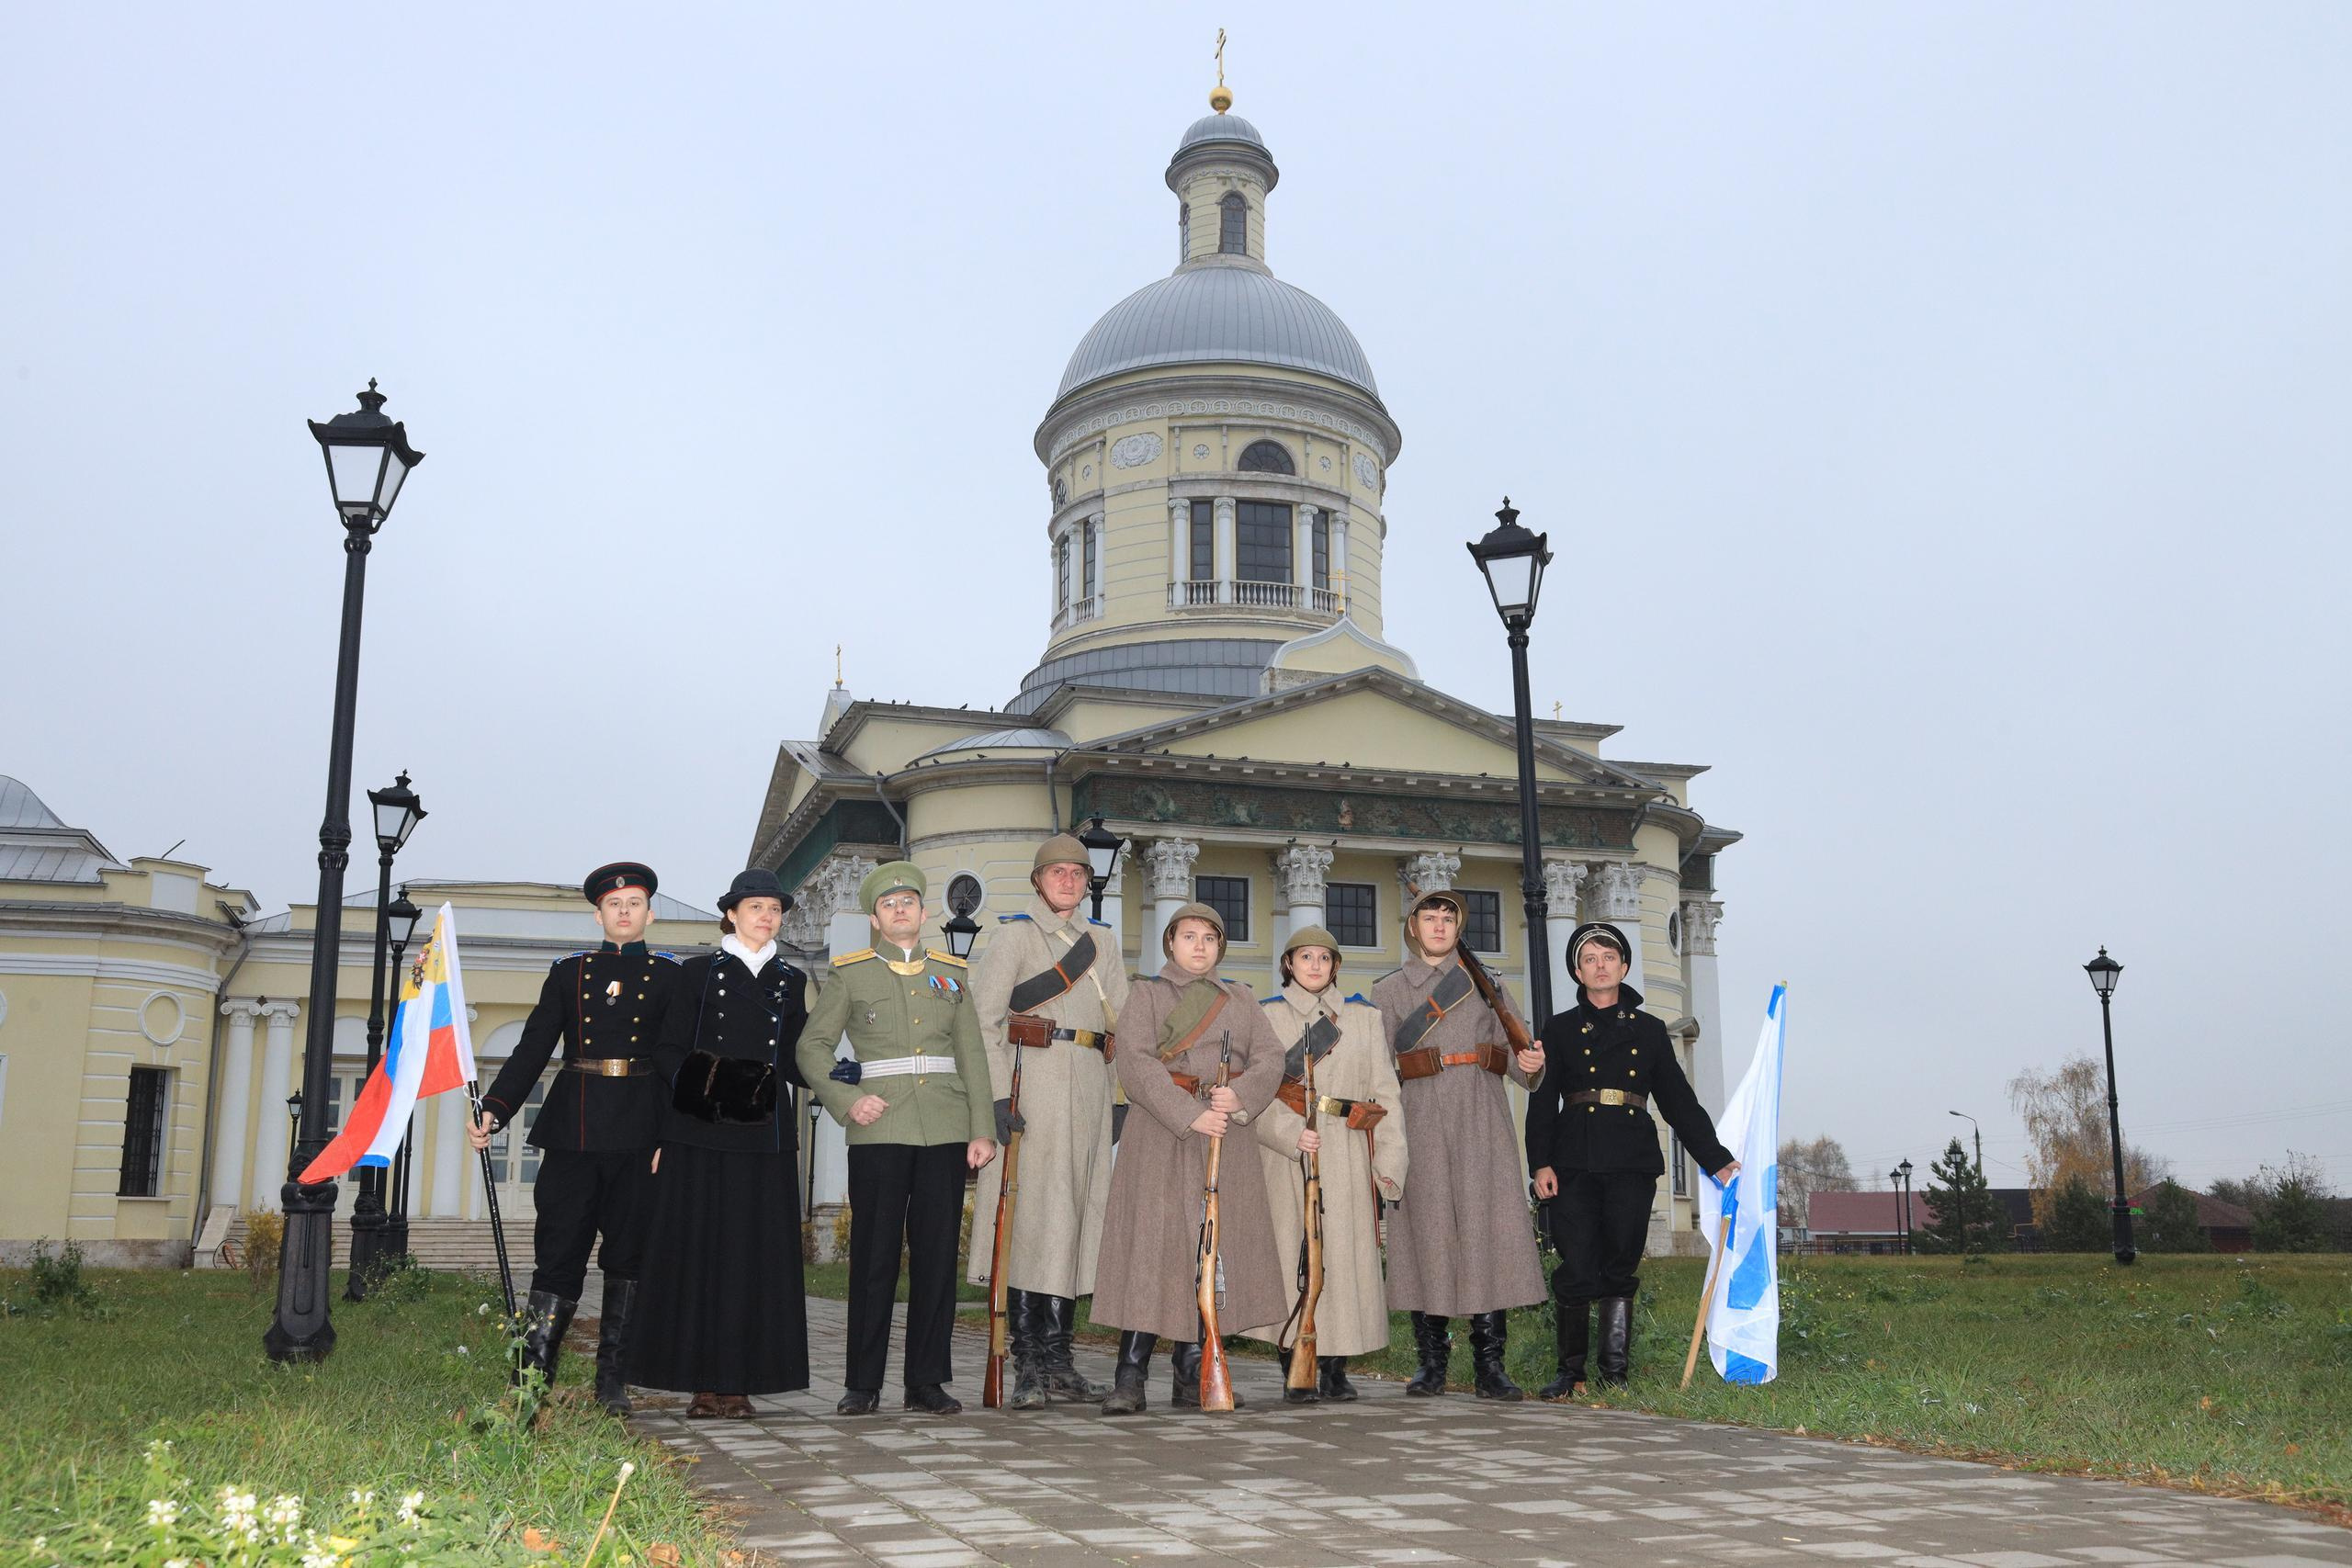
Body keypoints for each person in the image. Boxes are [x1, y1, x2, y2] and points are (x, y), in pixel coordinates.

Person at [469, 861, 678, 1415]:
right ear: (598, 915)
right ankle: (531, 1379)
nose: (624, 911)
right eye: (614, 904)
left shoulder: (671, 976)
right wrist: (495, 1109)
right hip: (575, 1131)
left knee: (629, 1257)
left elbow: (675, 1060)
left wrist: (674, 1134)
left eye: (635, 903)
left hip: (641, 1132)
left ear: (650, 914)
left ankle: (613, 1381)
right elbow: (533, 1048)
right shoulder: (569, 973)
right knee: (558, 1253)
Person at [799, 861, 997, 1416]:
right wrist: (846, 1100)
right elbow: (811, 1048)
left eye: (908, 901)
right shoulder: (852, 974)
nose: (899, 909)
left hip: (945, 1127)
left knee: (937, 1258)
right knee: (873, 1258)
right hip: (879, 1127)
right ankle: (862, 1383)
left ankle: (925, 1382)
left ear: (924, 913)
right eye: (888, 904)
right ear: (875, 919)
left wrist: (981, 1128)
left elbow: (972, 1054)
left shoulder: (952, 974)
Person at [1527, 920, 1737, 1395]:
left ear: (1624, 967)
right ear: (1578, 972)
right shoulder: (1559, 1029)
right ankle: (1571, 1373)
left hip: (1631, 1162)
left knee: (1620, 1265)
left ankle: (1614, 1373)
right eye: (1589, 960)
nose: (1600, 967)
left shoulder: (1650, 1030)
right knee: (1576, 1266)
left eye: (1608, 958)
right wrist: (1540, 1163)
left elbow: (1678, 1101)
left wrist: (1716, 1158)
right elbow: (1541, 1102)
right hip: (1572, 1163)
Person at [1092, 901, 1286, 1415]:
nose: (1199, 946)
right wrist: (1188, 1113)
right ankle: (1130, 1377)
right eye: (1188, 937)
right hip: (1162, 1133)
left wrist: (1240, 1095)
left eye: (1209, 937)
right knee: (1151, 1251)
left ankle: (1192, 1371)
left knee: (1211, 1252)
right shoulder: (1146, 994)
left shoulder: (1242, 999)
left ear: (1220, 946)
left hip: (1225, 1133)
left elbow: (1272, 1058)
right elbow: (1135, 1065)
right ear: (1171, 943)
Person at [631, 868, 811, 1419]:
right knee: (700, 1253)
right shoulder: (696, 973)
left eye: (774, 909)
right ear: (731, 915)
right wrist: (720, 1084)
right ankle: (702, 1384)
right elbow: (666, 1050)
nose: (766, 916)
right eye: (755, 907)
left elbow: (797, 1058)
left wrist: (843, 1073)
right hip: (702, 1131)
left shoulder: (791, 979)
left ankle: (740, 1383)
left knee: (753, 1257)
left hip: (764, 1135)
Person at [964, 833, 1128, 1408]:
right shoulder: (1014, 936)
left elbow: (1122, 1026)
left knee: (1074, 1221)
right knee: (1030, 1223)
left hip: (1089, 1089)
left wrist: (1119, 1099)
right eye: (1057, 872)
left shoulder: (1102, 942)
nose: (1068, 881)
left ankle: (1061, 1362)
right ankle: (1029, 1362)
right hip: (1028, 1088)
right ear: (1038, 880)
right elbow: (984, 1021)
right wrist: (993, 1099)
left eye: (1078, 873)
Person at [1370, 887, 1548, 1399]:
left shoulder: (1488, 983)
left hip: (1480, 1116)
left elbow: (1520, 1059)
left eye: (1449, 918)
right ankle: (1432, 1363)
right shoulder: (1389, 990)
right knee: (1427, 1235)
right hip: (1419, 1116)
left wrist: (1532, 1064)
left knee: (1483, 1232)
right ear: (1413, 927)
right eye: (1430, 917)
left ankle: (1490, 1366)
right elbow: (1377, 1069)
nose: (1440, 925)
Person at [1238, 925, 1408, 1403]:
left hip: (1348, 1150)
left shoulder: (1363, 1018)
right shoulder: (1266, 1016)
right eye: (1305, 957)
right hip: (1289, 1154)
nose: (1315, 965)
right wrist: (1288, 1133)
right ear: (1288, 964)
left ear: (1336, 966)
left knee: (1344, 1259)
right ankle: (1294, 1362)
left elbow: (1385, 1093)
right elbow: (1253, 1091)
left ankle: (1335, 1366)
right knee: (1292, 1253)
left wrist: (1390, 1160)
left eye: (1324, 958)